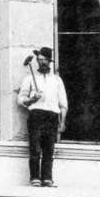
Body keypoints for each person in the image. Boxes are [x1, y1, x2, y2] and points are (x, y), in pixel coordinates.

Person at [18, 47, 67, 188]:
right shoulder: (29, 79)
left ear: (49, 61)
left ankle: (47, 179)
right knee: (35, 149)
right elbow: (21, 100)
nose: (41, 63)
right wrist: (33, 99)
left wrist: (62, 122)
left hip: (52, 116)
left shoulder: (57, 80)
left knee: (49, 149)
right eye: (39, 60)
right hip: (36, 115)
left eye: (44, 60)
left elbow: (63, 103)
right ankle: (34, 178)